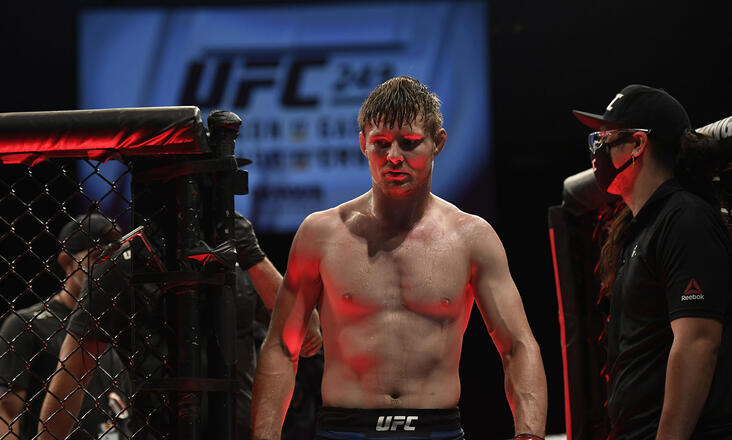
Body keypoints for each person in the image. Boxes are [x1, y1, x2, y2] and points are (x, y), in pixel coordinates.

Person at [252, 76, 547, 440]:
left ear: (438, 143)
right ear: (362, 144)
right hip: (345, 429)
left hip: (436, 430)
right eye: (380, 144)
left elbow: (518, 347)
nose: (393, 157)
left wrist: (529, 436)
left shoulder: (472, 237)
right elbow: (282, 346)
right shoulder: (321, 233)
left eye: (408, 143)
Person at [36, 211, 322, 439]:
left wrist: (254, 257)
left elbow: (307, 334)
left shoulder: (233, 256)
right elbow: (71, 375)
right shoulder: (122, 265)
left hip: (240, 430)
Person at [573, 84, 732, 438]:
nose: (596, 150)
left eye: (605, 138)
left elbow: (698, 343)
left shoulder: (685, 220)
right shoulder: (641, 228)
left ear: (638, 144)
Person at [0, 214, 131, 440]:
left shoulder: (116, 325)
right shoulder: (26, 324)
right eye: (96, 258)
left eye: (112, 260)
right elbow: (4, 412)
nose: (106, 269)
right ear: (66, 262)